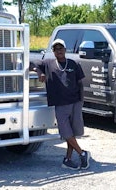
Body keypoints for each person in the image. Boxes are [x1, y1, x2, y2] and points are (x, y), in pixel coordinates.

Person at [32, 38, 90, 170]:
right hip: (60, 104)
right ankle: (82, 153)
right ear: (52, 51)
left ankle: (68, 159)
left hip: (75, 102)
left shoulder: (73, 64)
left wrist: (81, 102)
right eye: (56, 49)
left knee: (73, 132)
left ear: (65, 50)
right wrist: (40, 72)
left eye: (61, 48)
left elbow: (80, 83)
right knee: (65, 132)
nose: (59, 51)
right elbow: (33, 62)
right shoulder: (48, 63)